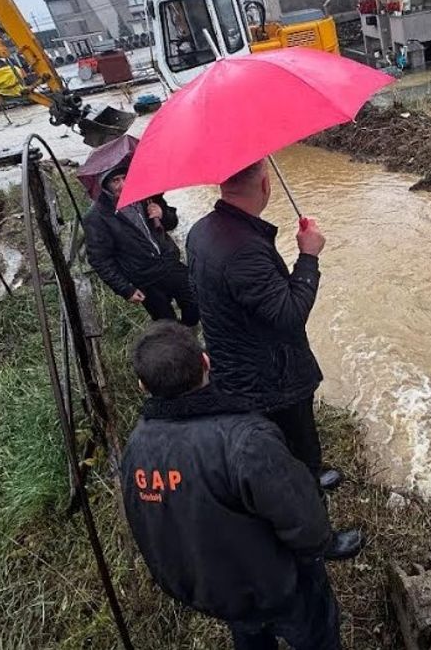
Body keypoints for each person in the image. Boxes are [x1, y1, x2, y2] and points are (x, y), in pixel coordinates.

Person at [121, 321, 362, 650]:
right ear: (206, 363)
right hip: (276, 587)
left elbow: (147, 526)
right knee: (315, 633)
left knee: (249, 635)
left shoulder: (135, 447)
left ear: (142, 386)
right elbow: (305, 522)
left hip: (214, 592)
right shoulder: (246, 440)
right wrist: (316, 552)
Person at [186, 159, 340, 490]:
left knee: (268, 443)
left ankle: (299, 478)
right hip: (268, 379)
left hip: (234, 363)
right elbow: (289, 316)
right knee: (295, 444)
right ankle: (310, 508)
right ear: (266, 184)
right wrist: (309, 256)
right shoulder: (242, 250)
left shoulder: (202, 230)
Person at [84, 165, 199, 325]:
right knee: (166, 324)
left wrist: (162, 213)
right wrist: (125, 289)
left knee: (195, 306)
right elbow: (100, 260)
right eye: (115, 181)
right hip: (145, 279)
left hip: (171, 265)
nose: (123, 185)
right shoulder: (98, 217)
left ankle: (187, 333)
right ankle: (178, 343)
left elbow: (171, 223)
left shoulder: (146, 195)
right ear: (105, 184)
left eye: (125, 178)